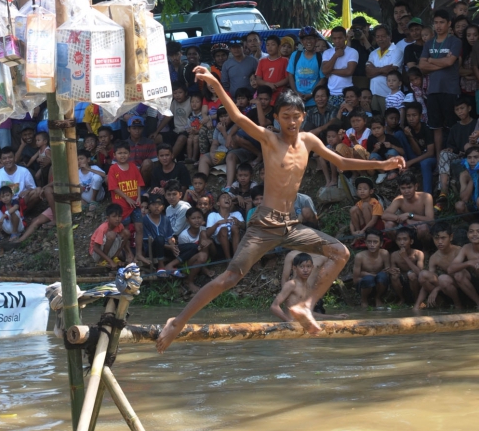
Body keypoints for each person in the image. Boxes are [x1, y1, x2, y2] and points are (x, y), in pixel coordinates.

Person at [155, 73, 404, 351]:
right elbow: (237, 117)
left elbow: (342, 162)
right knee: (229, 277)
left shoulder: (309, 141)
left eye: (296, 116)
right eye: (286, 116)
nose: (292, 122)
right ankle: (177, 322)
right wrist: (214, 84)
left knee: (341, 252)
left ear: (303, 117)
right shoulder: (270, 139)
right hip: (264, 225)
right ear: (277, 117)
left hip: (291, 225)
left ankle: (304, 306)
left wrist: (382, 166)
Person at [419, 9, 463, 157]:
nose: (438, 26)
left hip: (450, 89)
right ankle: (438, 159)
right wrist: (441, 62)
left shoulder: (455, 41)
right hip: (433, 90)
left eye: (442, 22)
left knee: (452, 125)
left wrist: (431, 60)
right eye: (436, 22)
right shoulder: (429, 43)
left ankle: (454, 155)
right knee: (435, 127)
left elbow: (450, 61)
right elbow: (422, 66)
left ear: (449, 23)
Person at [435, 97, 479, 208]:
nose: (460, 111)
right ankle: (443, 191)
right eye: (457, 109)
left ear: (469, 108)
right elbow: (452, 146)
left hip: (474, 154)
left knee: (468, 146)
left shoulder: (476, 124)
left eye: (462, 108)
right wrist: (451, 149)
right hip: (460, 154)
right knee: (444, 154)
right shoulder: (455, 128)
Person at [414, 221, 463, 312]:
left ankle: (458, 305)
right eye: (436, 238)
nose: (439, 242)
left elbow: (465, 275)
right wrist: (416, 305)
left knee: (445, 279)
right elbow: (427, 282)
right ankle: (441, 302)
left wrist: (436, 290)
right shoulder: (434, 257)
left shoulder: (459, 251)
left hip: (461, 284)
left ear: (451, 237)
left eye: (443, 238)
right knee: (423, 275)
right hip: (446, 286)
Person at [162, 206, 213, 294]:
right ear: (187, 221)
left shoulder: (204, 230)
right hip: (189, 261)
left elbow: (212, 250)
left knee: (204, 235)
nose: (197, 220)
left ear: (203, 218)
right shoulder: (184, 236)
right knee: (201, 254)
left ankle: (203, 267)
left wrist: (209, 242)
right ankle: (190, 281)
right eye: (193, 218)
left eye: (199, 218)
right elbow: (185, 254)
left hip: (205, 257)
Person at [381, 171, 435, 247]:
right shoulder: (399, 200)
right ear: (399, 188)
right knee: (389, 225)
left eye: (409, 187)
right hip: (406, 228)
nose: (406, 191)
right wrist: (405, 219)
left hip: (423, 228)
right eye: (403, 188)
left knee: (422, 227)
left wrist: (410, 215)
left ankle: (425, 250)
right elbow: (384, 215)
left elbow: (431, 221)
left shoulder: (426, 197)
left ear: (416, 186)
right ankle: (400, 248)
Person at [365, 25, 403, 113]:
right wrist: (383, 70)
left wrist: (374, 69)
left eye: (383, 36)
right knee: (376, 121)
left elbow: (391, 71)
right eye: (377, 37)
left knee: (389, 120)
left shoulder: (397, 51)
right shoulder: (373, 53)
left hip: (389, 94)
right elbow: (368, 73)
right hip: (374, 93)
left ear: (390, 37)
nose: (380, 39)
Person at [271, 252, 317, 322]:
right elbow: (274, 306)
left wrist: (333, 316)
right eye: (302, 267)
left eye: (308, 266)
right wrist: (289, 322)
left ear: (312, 267)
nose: (305, 270)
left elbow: (308, 312)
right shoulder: (291, 284)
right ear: (294, 268)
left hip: (301, 326)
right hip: (290, 327)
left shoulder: (309, 288)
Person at [0, 147, 39, 211]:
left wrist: (27, 191)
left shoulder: (24, 171)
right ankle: (10, 214)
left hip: (22, 201)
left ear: (14, 158)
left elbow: (33, 188)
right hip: (5, 202)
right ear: (1, 161)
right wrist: (8, 201)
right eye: (4, 158)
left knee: (37, 193)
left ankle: (22, 214)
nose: (8, 160)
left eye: (10, 157)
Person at [402, 102, 436, 193]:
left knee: (425, 163)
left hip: (431, 159)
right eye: (408, 116)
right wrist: (410, 136)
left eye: (414, 115)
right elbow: (418, 152)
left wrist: (411, 162)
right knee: (399, 134)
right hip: (418, 157)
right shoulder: (408, 129)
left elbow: (430, 153)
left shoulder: (426, 129)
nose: (411, 118)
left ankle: (427, 196)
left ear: (420, 116)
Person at [286, 27, 325, 106]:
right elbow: (290, 75)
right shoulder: (295, 55)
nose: (308, 42)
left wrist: (311, 94)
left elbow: (323, 79)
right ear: (301, 41)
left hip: (314, 101)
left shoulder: (320, 57)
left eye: (311, 39)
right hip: (297, 100)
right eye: (305, 39)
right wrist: (296, 92)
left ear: (316, 40)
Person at [352, 230, 390, 307]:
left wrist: (365, 273)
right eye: (369, 242)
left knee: (382, 276)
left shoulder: (384, 254)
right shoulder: (360, 256)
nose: (372, 245)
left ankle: (378, 298)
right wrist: (371, 276)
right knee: (368, 279)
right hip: (365, 285)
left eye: (375, 242)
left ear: (381, 243)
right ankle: (364, 300)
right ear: (365, 243)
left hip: (379, 285)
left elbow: (387, 273)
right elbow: (355, 280)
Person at [321, 26, 358, 105]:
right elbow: (324, 71)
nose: (337, 41)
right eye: (334, 38)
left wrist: (331, 71)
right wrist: (336, 55)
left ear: (345, 37)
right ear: (331, 39)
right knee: (333, 117)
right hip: (331, 93)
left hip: (348, 93)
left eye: (340, 38)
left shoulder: (352, 52)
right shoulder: (327, 52)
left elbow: (349, 72)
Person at [389, 227, 424, 305]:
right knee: (394, 276)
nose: (402, 243)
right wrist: (393, 271)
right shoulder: (394, 255)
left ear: (411, 241)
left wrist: (405, 257)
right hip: (402, 280)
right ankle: (402, 299)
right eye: (399, 240)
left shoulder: (418, 253)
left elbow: (419, 273)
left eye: (405, 239)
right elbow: (392, 269)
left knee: (412, 275)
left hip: (415, 280)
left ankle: (417, 299)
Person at [449, 219, 479, 307]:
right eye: (471, 231)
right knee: (458, 274)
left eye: (478, 231)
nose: (475, 234)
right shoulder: (466, 248)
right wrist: (469, 263)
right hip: (474, 283)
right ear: (468, 235)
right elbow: (450, 269)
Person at [205, 191, 244, 259]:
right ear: (218, 203)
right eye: (224, 197)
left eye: (229, 198)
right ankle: (228, 260)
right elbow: (208, 234)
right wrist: (218, 223)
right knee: (223, 229)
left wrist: (239, 223)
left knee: (235, 227)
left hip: (235, 241)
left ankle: (236, 259)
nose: (227, 199)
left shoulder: (236, 214)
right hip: (219, 244)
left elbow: (245, 227)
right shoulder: (213, 215)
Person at [140, 192, 172, 266]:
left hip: (166, 248)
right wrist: (169, 246)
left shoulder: (166, 219)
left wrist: (173, 246)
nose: (157, 207)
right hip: (151, 250)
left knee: (190, 247)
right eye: (154, 205)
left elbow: (170, 237)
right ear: (149, 207)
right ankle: (161, 266)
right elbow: (150, 240)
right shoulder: (145, 220)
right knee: (159, 239)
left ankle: (172, 266)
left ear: (163, 207)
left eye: (159, 205)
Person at [255, 35, 288, 103]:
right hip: (265, 96)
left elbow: (288, 78)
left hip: (280, 95)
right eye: (267, 45)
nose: (270, 47)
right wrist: (268, 84)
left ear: (279, 46)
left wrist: (275, 85)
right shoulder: (262, 61)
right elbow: (258, 79)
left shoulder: (285, 60)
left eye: (273, 44)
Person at [127, 115, 157, 186]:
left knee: (147, 163)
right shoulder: (124, 144)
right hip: (127, 172)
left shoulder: (149, 142)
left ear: (143, 129)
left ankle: (143, 188)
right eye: (134, 128)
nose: (137, 131)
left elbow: (154, 163)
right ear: (128, 129)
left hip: (144, 174)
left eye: (139, 128)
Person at [347, 16, 373, 89]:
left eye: (361, 28)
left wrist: (364, 39)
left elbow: (374, 54)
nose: (359, 31)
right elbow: (346, 55)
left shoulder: (374, 39)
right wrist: (348, 39)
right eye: (356, 29)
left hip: (370, 76)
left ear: (367, 27)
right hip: (355, 77)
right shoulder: (354, 42)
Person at [456, 144, 479, 218]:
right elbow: (464, 199)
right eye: (469, 158)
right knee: (459, 205)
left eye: (476, 157)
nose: (472, 161)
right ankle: (472, 225)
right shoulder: (464, 175)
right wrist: (472, 178)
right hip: (473, 206)